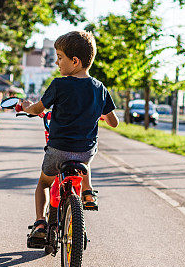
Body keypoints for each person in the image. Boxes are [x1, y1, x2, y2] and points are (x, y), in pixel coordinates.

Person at [21, 30, 119, 247]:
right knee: (86, 160)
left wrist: (27, 107)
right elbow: (114, 122)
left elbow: (38, 108)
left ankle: (39, 224)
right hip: (85, 152)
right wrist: (101, 114)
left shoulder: (60, 84)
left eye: (60, 57)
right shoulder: (100, 88)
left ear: (75, 61)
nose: (57, 63)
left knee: (44, 184)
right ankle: (88, 193)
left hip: (58, 150)